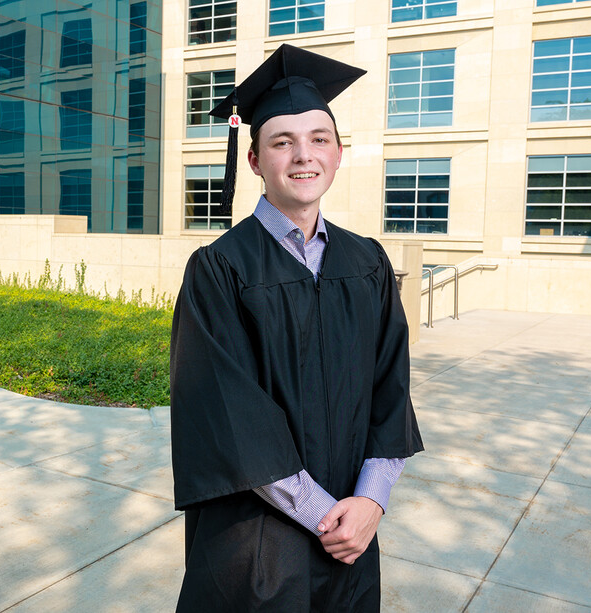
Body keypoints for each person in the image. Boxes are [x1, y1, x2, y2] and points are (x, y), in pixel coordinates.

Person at [169, 44, 423, 611]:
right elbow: (226, 412)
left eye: (318, 139)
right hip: (259, 542)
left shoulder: (368, 263)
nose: (303, 155)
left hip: (353, 536)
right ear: (255, 159)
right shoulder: (221, 268)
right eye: (282, 141)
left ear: (337, 154)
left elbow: (392, 389)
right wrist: (325, 515)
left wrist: (370, 504)